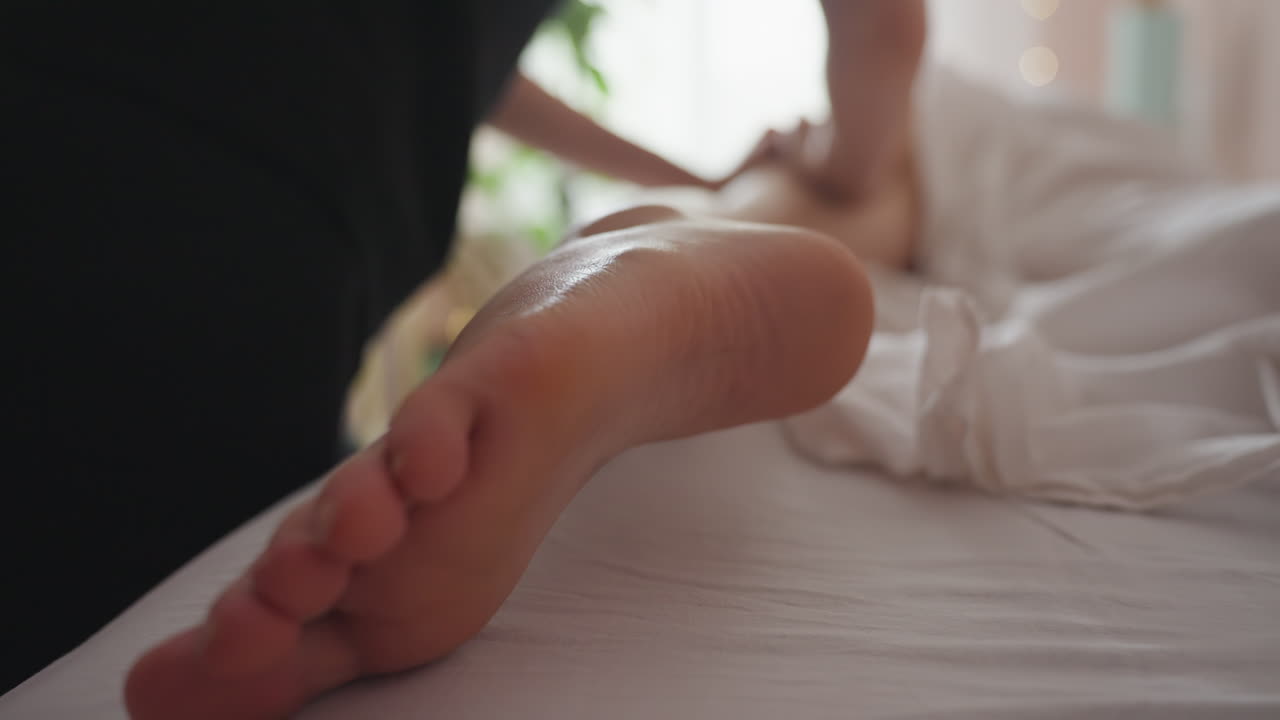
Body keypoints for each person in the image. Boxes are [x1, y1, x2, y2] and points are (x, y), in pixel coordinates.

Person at [1, 0, 921, 716]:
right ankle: (646, 258)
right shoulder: (941, 145)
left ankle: (634, 259)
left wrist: (687, 173)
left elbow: (470, 72)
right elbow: (884, 26)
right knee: (812, 212)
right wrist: (846, 166)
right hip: (248, 232)